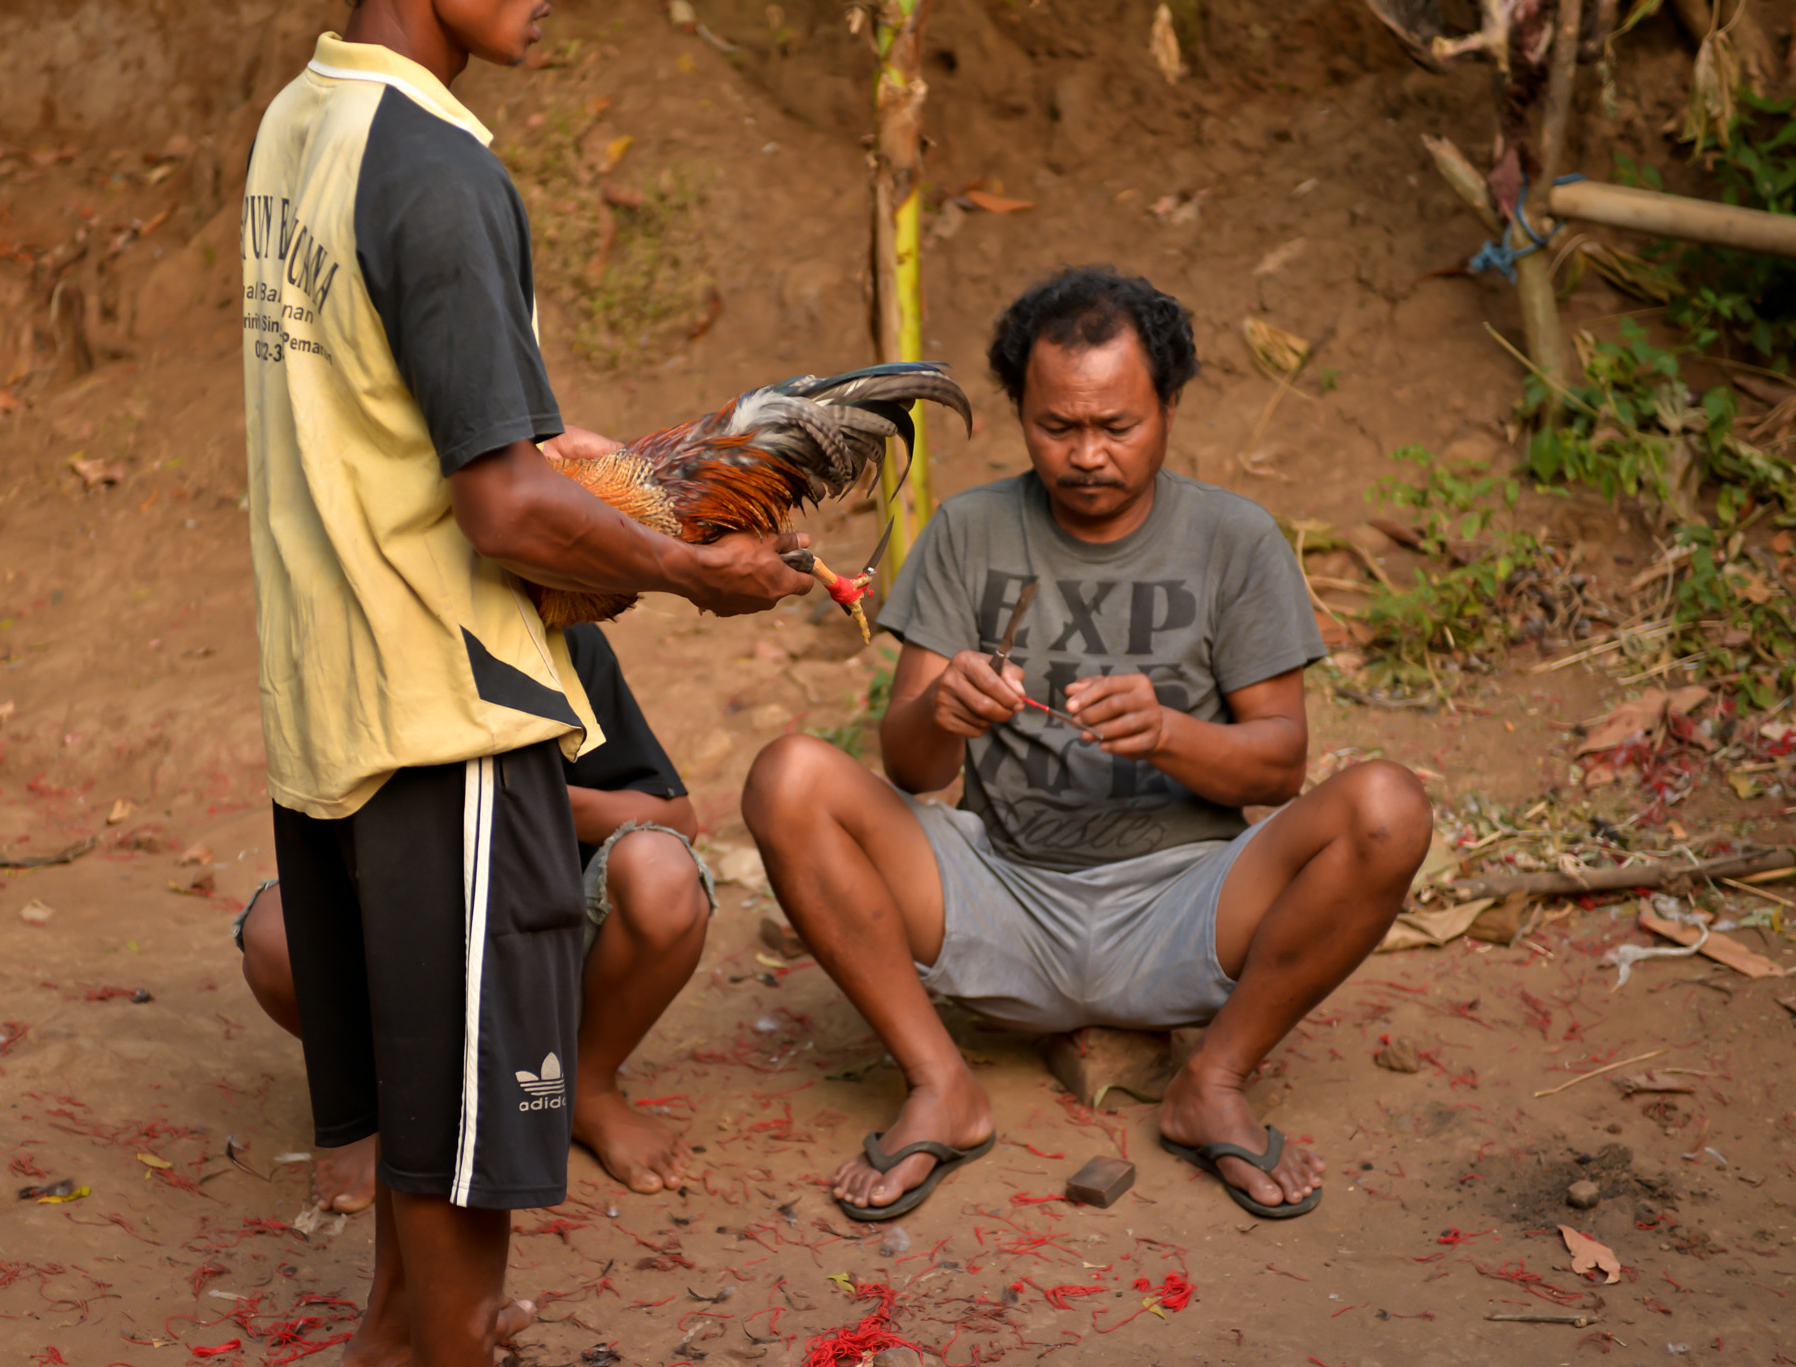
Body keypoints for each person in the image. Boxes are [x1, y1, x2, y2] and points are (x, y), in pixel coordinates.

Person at [240, 0, 811, 1360]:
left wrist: (605, 472)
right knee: (467, 1140)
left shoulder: (301, 121)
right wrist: (693, 572)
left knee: (418, 1110)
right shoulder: (439, 169)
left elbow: (395, 401)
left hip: (334, 687)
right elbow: (501, 507)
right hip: (449, 701)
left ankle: (399, 1333)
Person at [742, 267, 1432, 1223]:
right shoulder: (970, 530)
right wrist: (945, 705)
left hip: (1188, 905)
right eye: (1056, 427)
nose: (1087, 455)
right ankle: (942, 1082)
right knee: (787, 775)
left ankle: (1214, 1081)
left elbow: (1281, 767)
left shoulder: (1235, 538)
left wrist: (1173, 735)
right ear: (1021, 412)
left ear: (1171, 407)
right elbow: (911, 771)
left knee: (1389, 804)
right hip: (999, 896)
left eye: (1117, 426)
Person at [236, 622, 718, 1211]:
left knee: (661, 872)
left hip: (550, 955)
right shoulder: (361, 647)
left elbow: (676, 818)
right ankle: (388, 1108)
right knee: (272, 930)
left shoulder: (556, 632)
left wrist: (521, 795)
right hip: (405, 955)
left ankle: (586, 1087)